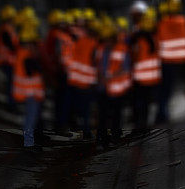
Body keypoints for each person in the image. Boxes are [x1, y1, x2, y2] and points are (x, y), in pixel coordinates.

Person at [97, 16, 132, 146]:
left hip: (117, 89)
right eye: (104, 40)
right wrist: (100, 77)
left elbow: (126, 68)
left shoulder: (122, 49)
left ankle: (116, 136)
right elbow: (97, 65)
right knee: (103, 115)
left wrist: (110, 76)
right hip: (103, 88)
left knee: (116, 114)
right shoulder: (101, 49)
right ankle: (102, 138)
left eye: (108, 39)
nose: (106, 42)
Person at [156, 0, 185, 124]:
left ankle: (161, 112)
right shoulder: (182, 22)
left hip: (165, 61)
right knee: (168, 87)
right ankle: (163, 112)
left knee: (163, 88)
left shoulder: (163, 22)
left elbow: (158, 41)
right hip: (177, 61)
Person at [67, 12, 99, 140]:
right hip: (87, 81)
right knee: (88, 108)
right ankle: (86, 131)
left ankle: (80, 127)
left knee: (80, 107)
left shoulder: (80, 41)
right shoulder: (94, 44)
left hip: (76, 79)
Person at [13, 23, 45, 150]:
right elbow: (32, 70)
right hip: (30, 93)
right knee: (30, 119)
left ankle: (29, 141)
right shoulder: (26, 55)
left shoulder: (22, 53)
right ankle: (28, 143)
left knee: (30, 118)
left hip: (28, 93)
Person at [131, 7, 161, 134]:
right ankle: (143, 127)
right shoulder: (155, 37)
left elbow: (134, 56)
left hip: (140, 76)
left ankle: (140, 128)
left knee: (139, 103)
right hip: (151, 76)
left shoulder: (140, 39)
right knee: (145, 104)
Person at [0, 5, 19, 112]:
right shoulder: (6, 29)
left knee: (12, 83)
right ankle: (11, 105)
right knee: (11, 84)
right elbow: (11, 45)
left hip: (9, 61)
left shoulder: (8, 28)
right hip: (7, 61)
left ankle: (12, 103)